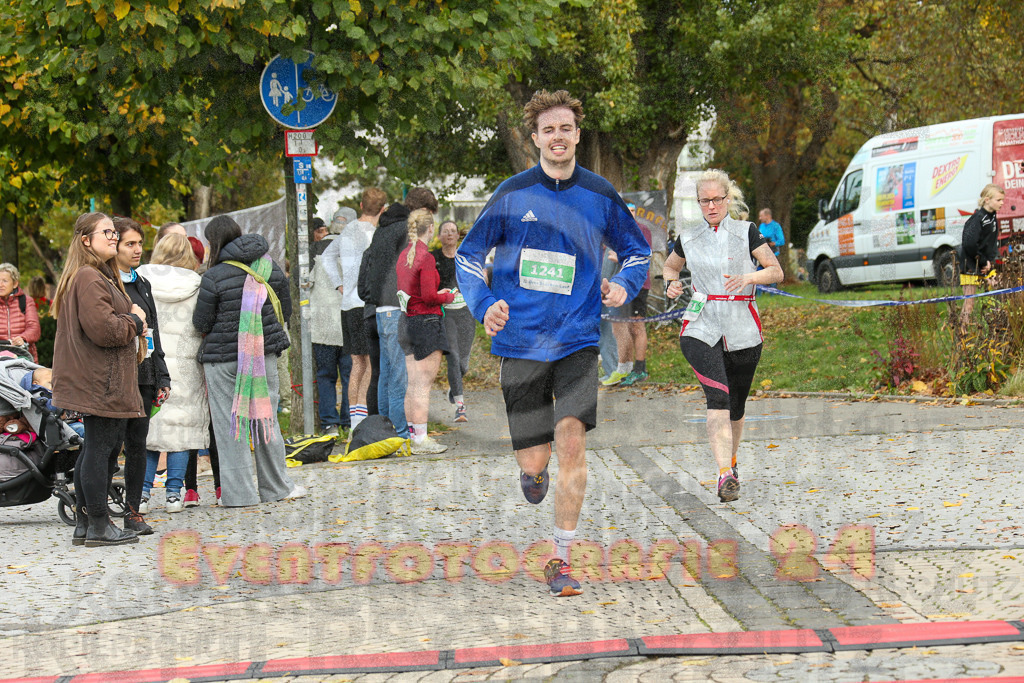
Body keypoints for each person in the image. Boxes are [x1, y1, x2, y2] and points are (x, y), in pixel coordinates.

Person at [456, 89, 651, 597]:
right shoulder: (512, 193)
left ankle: (561, 559)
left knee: (571, 438)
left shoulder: (600, 194)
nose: (558, 137)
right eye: (548, 130)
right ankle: (532, 474)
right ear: (535, 138)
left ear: (577, 134)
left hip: (578, 339)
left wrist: (622, 286)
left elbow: (636, 252)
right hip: (519, 341)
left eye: (566, 128)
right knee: (535, 460)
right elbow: (467, 257)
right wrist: (484, 304)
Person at [663, 169, 783, 503]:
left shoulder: (747, 232)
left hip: (742, 325)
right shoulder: (688, 236)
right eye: (705, 200)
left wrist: (748, 277)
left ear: (727, 199)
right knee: (717, 396)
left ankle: (730, 461)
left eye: (718, 199)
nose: (712, 206)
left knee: (735, 405)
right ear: (698, 202)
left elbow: (776, 271)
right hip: (700, 324)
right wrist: (670, 282)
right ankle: (724, 475)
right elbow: (671, 267)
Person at [192, 215, 305, 507]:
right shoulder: (268, 267)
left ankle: (239, 495)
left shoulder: (213, 276)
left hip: (221, 361)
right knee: (266, 419)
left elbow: (201, 321)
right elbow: (286, 308)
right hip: (261, 357)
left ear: (213, 243)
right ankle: (277, 487)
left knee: (231, 426)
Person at [51, 212, 144, 547]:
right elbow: (105, 331)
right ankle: (100, 526)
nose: (114, 236)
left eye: (113, 231)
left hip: (98, 378)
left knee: (95, 449)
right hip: (100, 380)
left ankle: (86, 524)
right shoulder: (89, 277)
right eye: (106, 232)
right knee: (100, 450)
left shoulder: (93, 275)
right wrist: (134, 320)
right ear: (85, 240)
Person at [137, 234, 212, 511]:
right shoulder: (196, 284)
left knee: (148, 426)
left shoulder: (140, 279)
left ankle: (142, 493)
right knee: (182, 427)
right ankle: (173, 494)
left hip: (148, 360)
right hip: (185, 362)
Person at [360, 188, 439, 439]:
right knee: (399, 376)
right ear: (422, 210)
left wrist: (371, 295)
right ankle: (400, 433)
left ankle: (385, 429)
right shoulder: (407, 230)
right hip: (397, 305)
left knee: (385, 373)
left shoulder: (382, 228)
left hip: (379, 307)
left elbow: (369, 264)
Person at [109, 218, 170, 532]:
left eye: (139, 244)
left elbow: (154, 331)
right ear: (114, 246)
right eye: (129, 244)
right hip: (114, 374)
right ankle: (93, 512)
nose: (137, 250)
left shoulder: (142, 281)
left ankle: (133, 512)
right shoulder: (104, 280)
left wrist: (163, 376)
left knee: (137, 443)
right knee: (106, 444)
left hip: (144, 372)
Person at [322, 188, 387, 430]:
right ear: (382, 210)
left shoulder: (347, 231)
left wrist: (339, 284)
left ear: (360, 205)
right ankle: (361, 419)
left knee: (356, 364)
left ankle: (353, 418)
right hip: (366, 305)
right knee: (370, 363)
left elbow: (327, 257)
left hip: (347, 305)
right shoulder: (377, 235)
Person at [397, 209, 455, 453]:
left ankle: (413, 434)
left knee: (412, 383)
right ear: (430, 229)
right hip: (428, 322)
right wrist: (448, 295)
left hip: (407, 322)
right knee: (423, 384)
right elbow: (430, 295)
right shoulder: (427, 258)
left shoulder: (404, 256)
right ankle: (421, 439)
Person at [307, 213, 350, 437]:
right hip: (348, 321)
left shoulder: (315, 250)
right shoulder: (353, 248)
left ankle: (329, 423)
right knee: (350, 375)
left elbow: (305, 282)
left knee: (325, 375)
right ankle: (349, 420)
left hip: (322, 324)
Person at [602, 202, 652, 387]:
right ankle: (624, 368)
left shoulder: (642, 229)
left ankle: (640, 369)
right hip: (618, 286)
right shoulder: (614, 231)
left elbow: (643, 255)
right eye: (626, 211)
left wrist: (621, 257)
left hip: (638, 286)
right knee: (619, 327)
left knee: (636, 327)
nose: (629, 214)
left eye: (633, 211)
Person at [431, 220, 476, 422]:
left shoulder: (466, 258)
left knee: (463, 363)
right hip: (446, 313)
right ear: (439, 237)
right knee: (453, 358)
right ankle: (460, 406)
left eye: (452, 231)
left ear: (458, 235)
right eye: (445, 231)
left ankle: (454, 385)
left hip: (465, 314)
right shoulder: (434, 259)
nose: (449, 234)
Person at [960, 184, 1004, 327]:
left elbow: (990, 245)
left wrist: (990, 262)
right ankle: (962, 335)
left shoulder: (992, 217)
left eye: (1002, 200)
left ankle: (997, 327)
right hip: (971, 266)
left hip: (985, 264)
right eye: (998, 200)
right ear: (987, 200)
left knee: (999, 289)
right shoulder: (977, 219)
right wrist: (983, 262)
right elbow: (970, 245)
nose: (1002, 203)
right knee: (969, 304)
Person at [0, 263, 41, 362]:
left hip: (23, 356)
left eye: (4, 281)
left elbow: (34, 328)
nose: (0, 285)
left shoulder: (26, 301)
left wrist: (23, 338)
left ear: (15, 283)